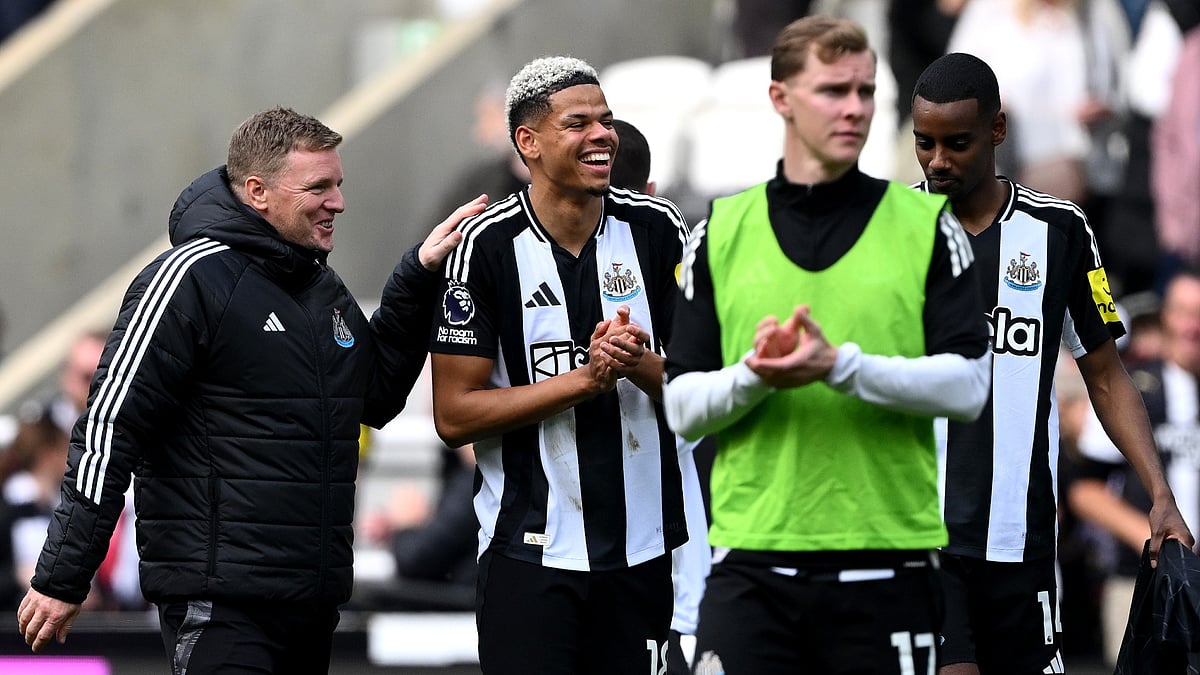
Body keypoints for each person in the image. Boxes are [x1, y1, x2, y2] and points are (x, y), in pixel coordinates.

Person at [15, 107, 486, 673]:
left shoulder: (320, 288)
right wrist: (64, 576)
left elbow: (374, 398)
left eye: (338, 185)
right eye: (318, 187)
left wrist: (416, 277)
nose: (338, 202)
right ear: (258, 191)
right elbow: (109, 429)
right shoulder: (187, 278)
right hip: (221, 602)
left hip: (311, 601)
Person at [663, 16, 993, 674]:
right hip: (752, 566)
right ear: (780, 98)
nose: (855, 108)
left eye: (867, 91)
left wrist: (840, 366)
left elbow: (969, 388)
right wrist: (755, 375)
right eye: (834, 90)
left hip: (889, 562)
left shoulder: (929, 227)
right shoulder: (720, 231)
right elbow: (681, 407)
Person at [910, 51, 1192, 675]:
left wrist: (1159, 493)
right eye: (923, 143)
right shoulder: (888, 231)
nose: (937, 161)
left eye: (956, 143)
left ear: (997, 129)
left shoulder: (1058, 230)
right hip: (916, 535)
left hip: (1023, 536)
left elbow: (1106, 374)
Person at [429, 57, 690, 674]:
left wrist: (639, 365)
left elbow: (703, 385)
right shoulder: (483, 246)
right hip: (528, 554)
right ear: (529, 143)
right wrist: (585, 379)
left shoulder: (659, 229)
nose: (602, 135)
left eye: (606, 121)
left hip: (641, 550)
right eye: (578, 124)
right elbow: (455, 415)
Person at [610, 116, 711, 675]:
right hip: (676, 560)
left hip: (565, 555)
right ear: (651, 193)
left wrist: (636, 364)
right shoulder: (692, 262)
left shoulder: (519, 257)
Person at [1069, 269, 1200, 667]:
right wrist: (1155, 537)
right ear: (1164, 318)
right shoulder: (1134, 391)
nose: (1192, 327)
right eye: (1183, 313)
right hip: (1146, 581)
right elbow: (1083, 490)